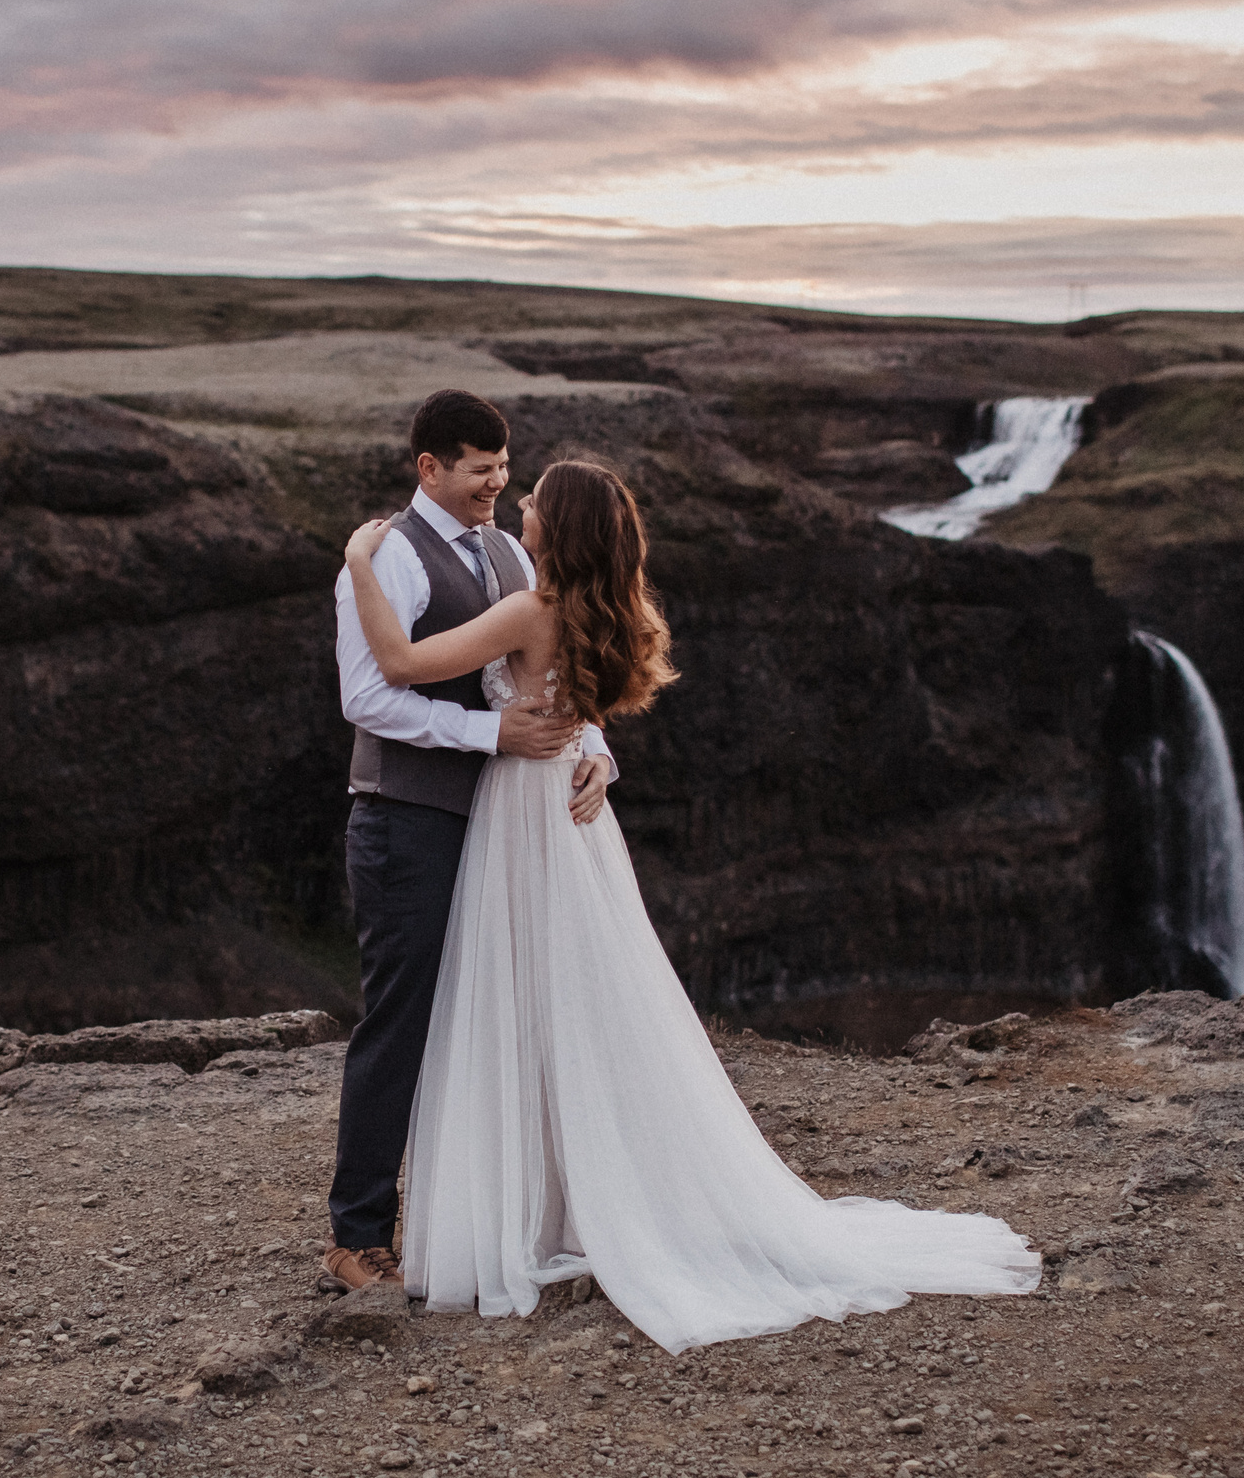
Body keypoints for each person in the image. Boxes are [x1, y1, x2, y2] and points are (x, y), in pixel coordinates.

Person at [340, 454, 1041, 1354]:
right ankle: (579, 1194)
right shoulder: (597, 607)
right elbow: (579, 707)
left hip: (522, 814)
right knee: (583, 1000)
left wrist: (362, 559)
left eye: (536, 499)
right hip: (572, 818)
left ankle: (529, 1207)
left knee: (521, 1001)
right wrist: (593, 748)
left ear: (560, 527)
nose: (522, 504)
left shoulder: (530, 604)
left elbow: (396, 661)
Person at [323, 390, 618, 1294]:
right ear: (430, 469)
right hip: (405, 821)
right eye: (481, 466)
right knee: (403, 1020)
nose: (499, 482)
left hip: (505, 831)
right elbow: (370, 696)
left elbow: (555, 670)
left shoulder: (510, 556)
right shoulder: (382, 560)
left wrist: (594, 748)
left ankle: (503, 1213)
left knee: (505, 1015)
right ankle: (360, 1233)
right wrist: (491, 739)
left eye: (505, 466)